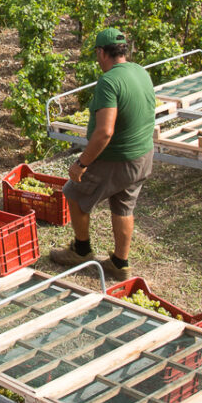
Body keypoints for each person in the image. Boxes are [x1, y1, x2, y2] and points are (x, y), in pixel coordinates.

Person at [50, 28, 155, 281]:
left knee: (73, 193)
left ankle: (81, 250)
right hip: (143, 155)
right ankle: (120, 263)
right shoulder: (140, 71)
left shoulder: (109, 81)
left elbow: (104, 132)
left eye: (96, 53)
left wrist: (81, 163)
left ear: (101, 52)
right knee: (123, 205)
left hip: (117, 159)